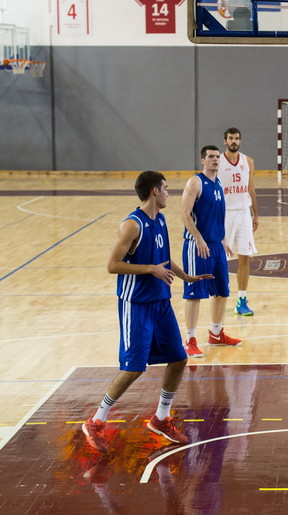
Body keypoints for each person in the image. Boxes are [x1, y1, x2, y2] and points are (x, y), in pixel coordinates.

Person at [82, 171, 213, 453]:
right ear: (155, 191)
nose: (168, 193)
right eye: (165, 188)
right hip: (136, 304)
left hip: (161, 302)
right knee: (133, 368)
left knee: (178, 359)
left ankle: (161, 418)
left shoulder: (161, 219)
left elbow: (163, 259)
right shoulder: (132, 225)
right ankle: (96, 420)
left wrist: (186, 276)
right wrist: (149, 269)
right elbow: (112, 265)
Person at [181, 145, 242, 358]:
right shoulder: (195, 182)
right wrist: (198, 239)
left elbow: (218, 216)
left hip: (216, 246)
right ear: (203, 161)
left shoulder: (218, 184)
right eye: (211, 157)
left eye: (217, 157)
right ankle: (190, 340)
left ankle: (216, 334)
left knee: (221, 291)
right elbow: (185, 214)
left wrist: (224, 240)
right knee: (194, 293)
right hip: (197, 245)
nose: (215, 160)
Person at [219, 127, 259, 317]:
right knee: (222, 259)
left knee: (245, 256)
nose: (234, 141)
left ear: (240, 141)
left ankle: (241, 300)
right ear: (225, 141)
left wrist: (255, 214)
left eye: (236, 138)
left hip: (243, 213)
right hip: (224, 214)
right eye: (230, 138)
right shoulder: (217, 162)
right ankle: (221, 295)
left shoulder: (248, 161)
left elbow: (251, 188)